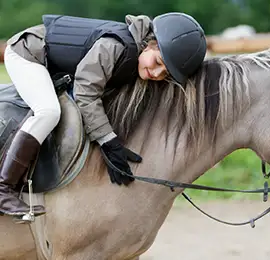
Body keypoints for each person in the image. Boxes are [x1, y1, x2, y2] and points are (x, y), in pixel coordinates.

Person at [0, 12, 207, 219]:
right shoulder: (114, 46)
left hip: (51, 62)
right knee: (49, 112)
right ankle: (4, 187)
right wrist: (108, 141)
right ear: (150, 44)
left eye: (165, 74)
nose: (156, 73)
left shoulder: (136, 56)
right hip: (26, 53)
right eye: (158, 62)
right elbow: (85, 92)